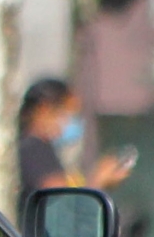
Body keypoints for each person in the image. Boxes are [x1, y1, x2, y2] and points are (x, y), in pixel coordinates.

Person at [16, 77, 135, 208]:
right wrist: (98, 180)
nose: (69, 121)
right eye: (67, 113)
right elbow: (61, 202)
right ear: (44, 109)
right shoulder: (34, 149)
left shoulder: (43, 148)